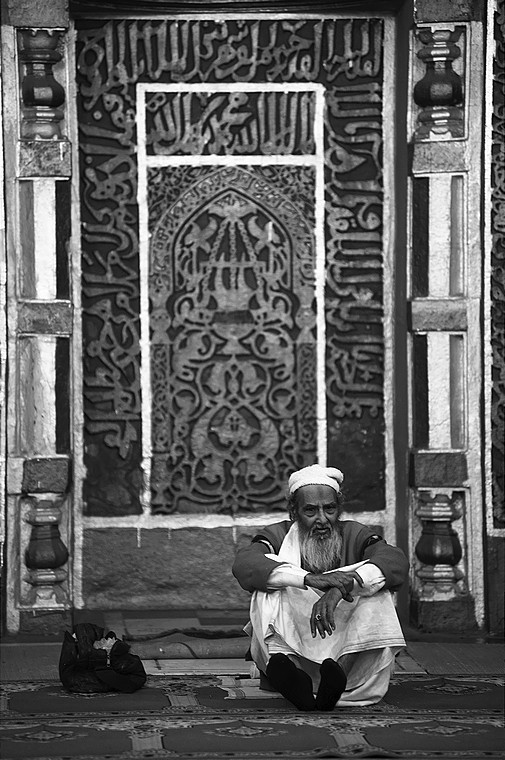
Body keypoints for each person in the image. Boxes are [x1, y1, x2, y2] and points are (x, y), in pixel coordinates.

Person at [232, 464, 409, 711]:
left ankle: (336, 678)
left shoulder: (354, 533)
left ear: (339, 509)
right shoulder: (278, 535)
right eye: (311, 510)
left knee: (375, 584)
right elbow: (245, 564)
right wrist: (307, 579)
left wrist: (341, 588)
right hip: (293, 641)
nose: (322, 519)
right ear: (294, 511)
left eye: (330, 509)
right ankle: (294, 677)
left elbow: (395, 561)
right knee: (267, 587)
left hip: (347, 645)